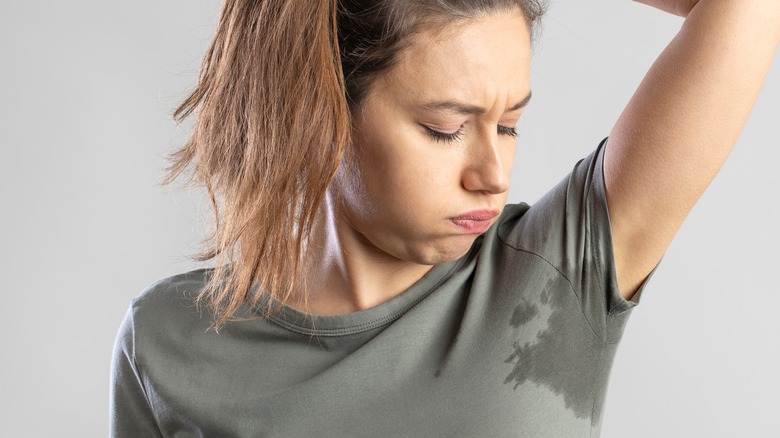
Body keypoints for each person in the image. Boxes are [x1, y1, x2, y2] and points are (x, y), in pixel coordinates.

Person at [109, 0, 780, 436]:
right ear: (321, 113)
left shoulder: (559, 273)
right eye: (444, 128)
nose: (493, 173)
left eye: (509, 124)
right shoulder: (167, 346)